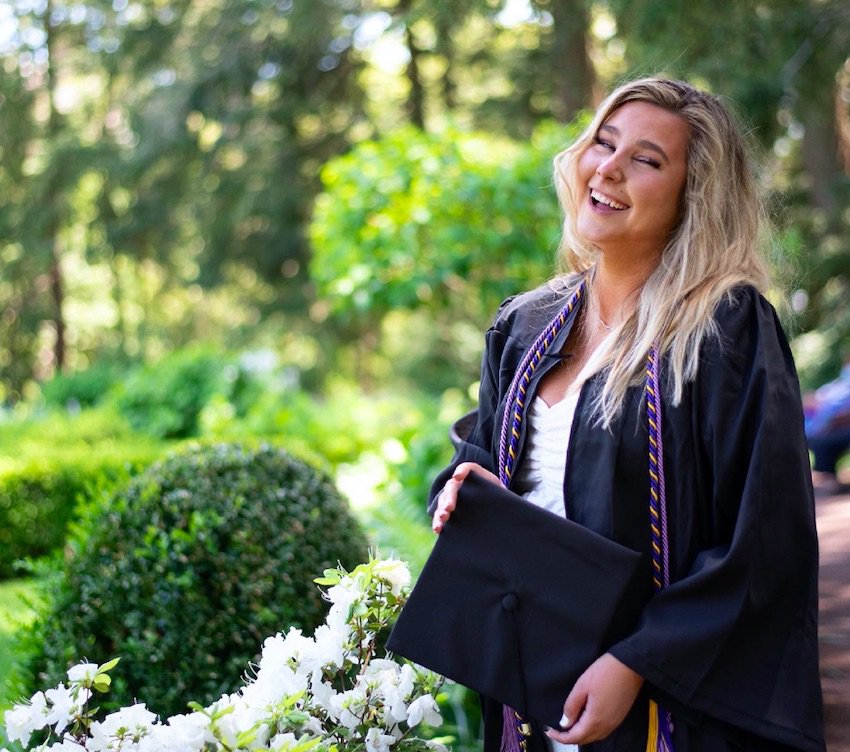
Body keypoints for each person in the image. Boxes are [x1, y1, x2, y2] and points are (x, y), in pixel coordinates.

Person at [429, 78, 824, 752]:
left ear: (690, 196)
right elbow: (483, 468)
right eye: (603, 144)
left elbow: (764, 538)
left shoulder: (721, 329)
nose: (608, 168)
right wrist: (456, 492)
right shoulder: (525, 326)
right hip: (534, 704)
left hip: (667, 717)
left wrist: (637, 661)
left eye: (645, 159)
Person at [804, 357, 850, 494]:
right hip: (814, 430)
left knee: (822, 442)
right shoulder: (837, 385)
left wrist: (828, 424)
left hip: (834, 430)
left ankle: (827, 479)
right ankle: (823, 478)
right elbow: (813, 400)